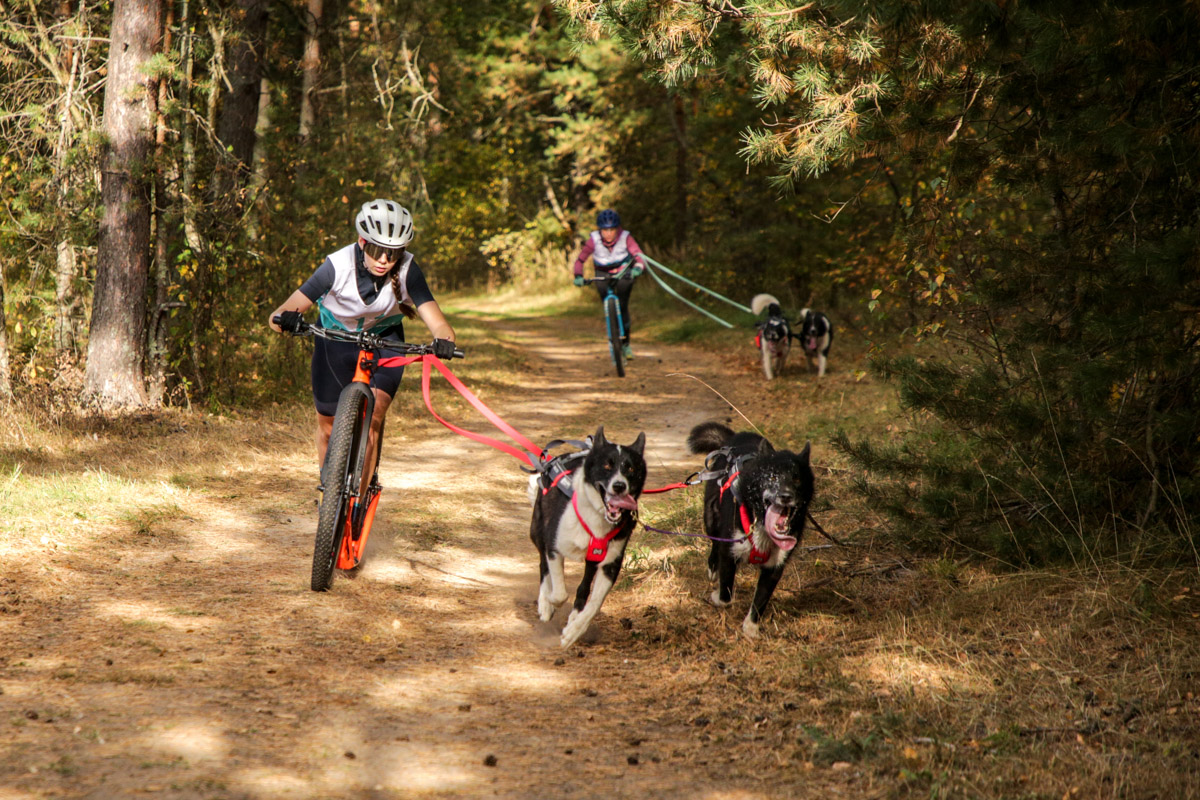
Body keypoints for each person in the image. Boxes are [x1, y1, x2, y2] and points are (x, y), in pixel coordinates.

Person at [269, 198, 456, 492]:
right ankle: (330, 495)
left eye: (393, 253)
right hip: (334, 340)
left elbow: (439, 323)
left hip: (385, 341)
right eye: (376, 250)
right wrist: (286, 320)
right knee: (328, 427)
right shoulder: (336, 266)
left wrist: (444, 341)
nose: (384, 260)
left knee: (373, 417)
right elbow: (278, 315)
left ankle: (358, 499)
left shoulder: (408, 269)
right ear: (362, 242)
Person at [572, 208, 645, 359]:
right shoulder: (593, 240)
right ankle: (612, 328)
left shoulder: (626, 237)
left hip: (623, 272)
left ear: (618, 228)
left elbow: (638, 255)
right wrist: (578, 275)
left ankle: (626, 344)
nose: (609, 233)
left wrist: (638, 268)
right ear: (600, 230)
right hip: (602, 273)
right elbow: (580, 260)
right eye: (605, 230)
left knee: (623, 305)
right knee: (606, 300)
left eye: (612, 229)